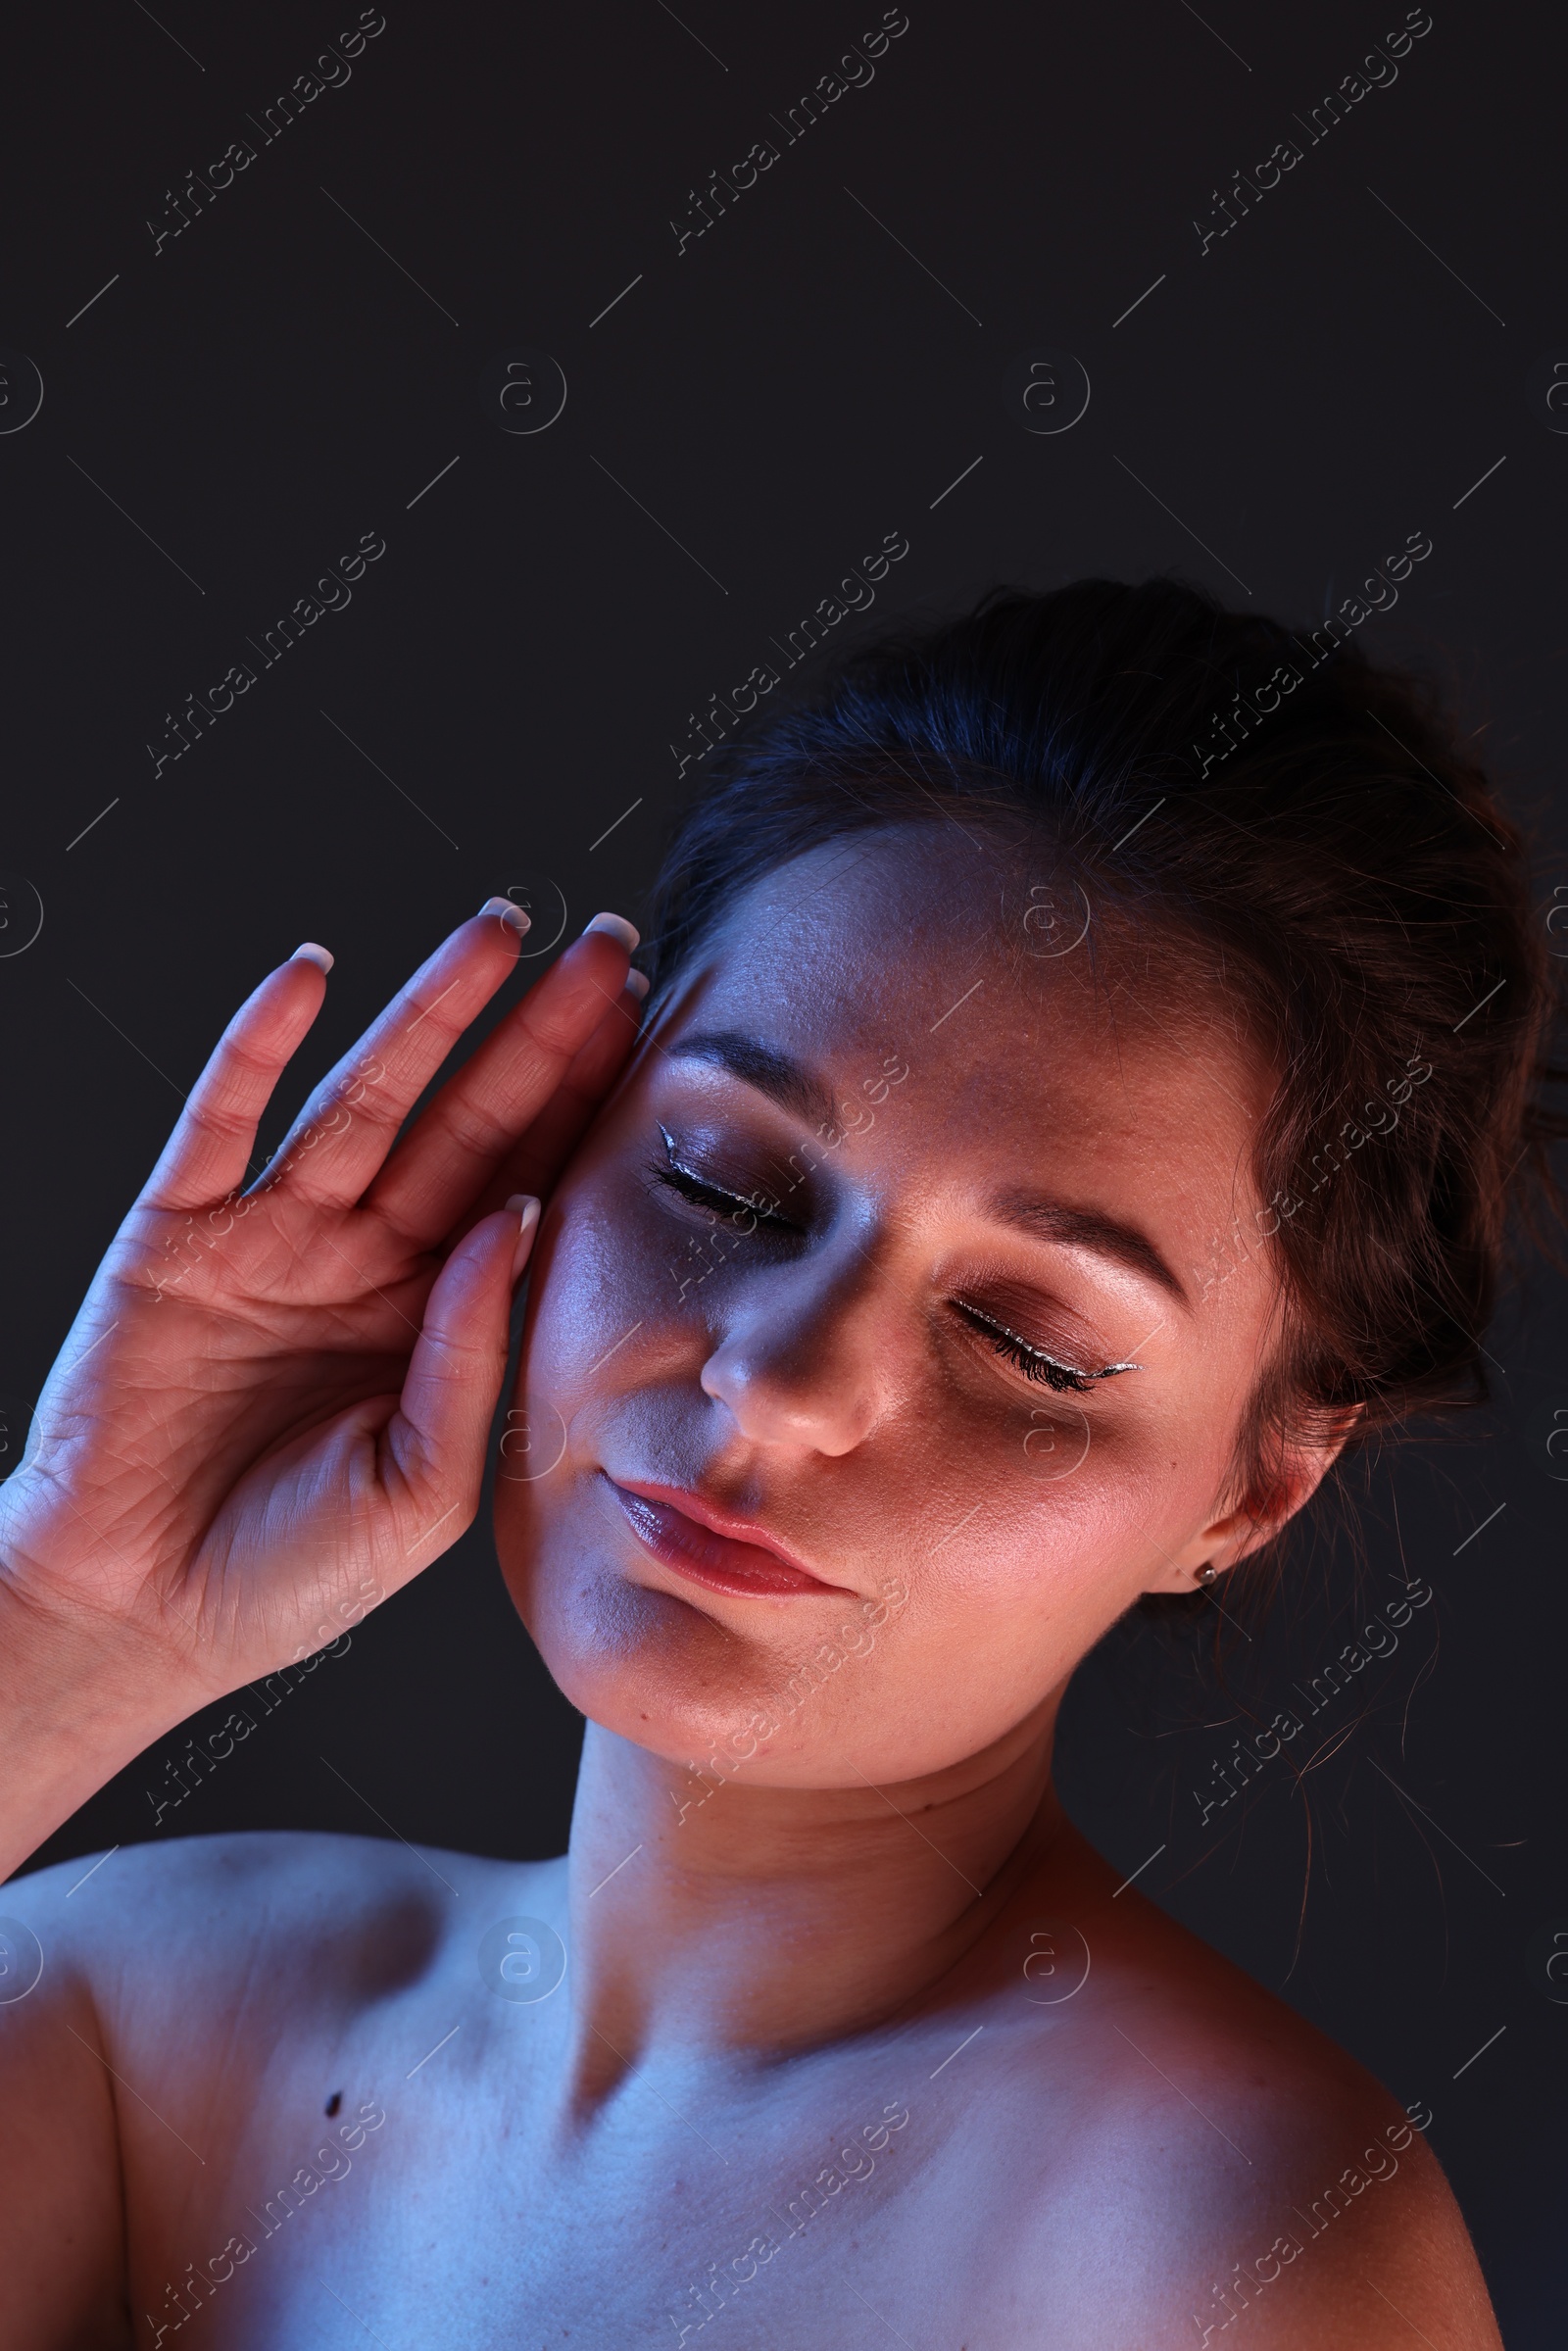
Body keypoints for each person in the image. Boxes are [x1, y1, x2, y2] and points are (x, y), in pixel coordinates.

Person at [0, 578, 1544, 2347]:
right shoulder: (138, 2025)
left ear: (1250, 1489)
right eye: (728, 1187)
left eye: (1028, 1342)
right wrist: (65, 1620)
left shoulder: (1225, 2253)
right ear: (572, 1137)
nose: (780, 1381)